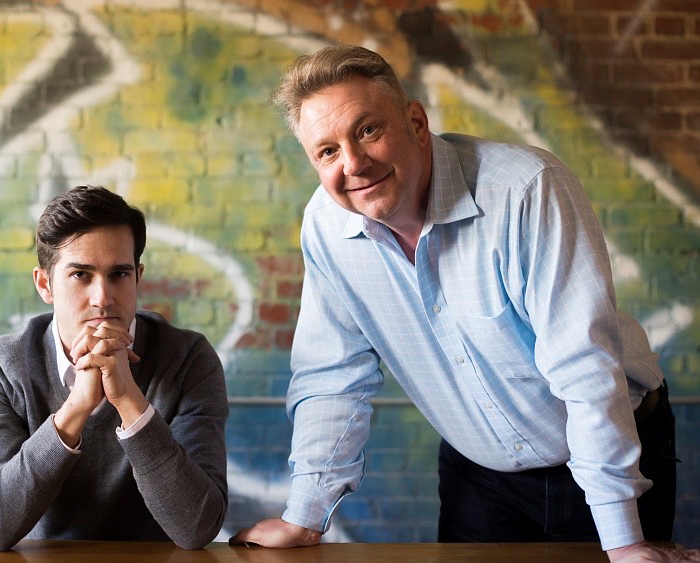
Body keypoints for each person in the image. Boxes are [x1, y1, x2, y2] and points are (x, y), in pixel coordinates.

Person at [230, 45, 700, 561]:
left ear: (415, 121)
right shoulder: (326, 226)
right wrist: (304, 518)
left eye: (368, 130)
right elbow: (331, 376)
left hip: (611, 451)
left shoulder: (525, 191)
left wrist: (624, 540)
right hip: (479, 472)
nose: (354, 164)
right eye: (327, 151)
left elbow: (584, 370)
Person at [0, 185, 228, 551]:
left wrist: (128, 400)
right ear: (45, 284)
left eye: (119, 274)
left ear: (138, 276)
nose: (103, 298)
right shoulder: (1, 365)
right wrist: (76, 406)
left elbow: (198, 527)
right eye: (80, 275)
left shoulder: (188, 358)